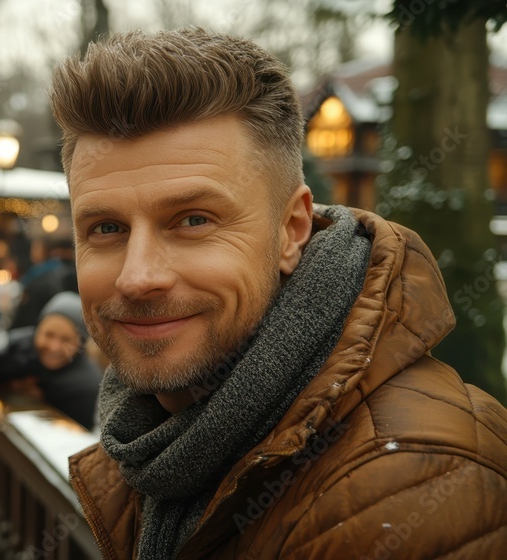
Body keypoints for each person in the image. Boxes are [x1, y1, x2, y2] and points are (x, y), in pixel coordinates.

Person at [50, 29, 507, 558]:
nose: (137, 277)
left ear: (292, 230)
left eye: (193, 220)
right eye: (106, 229)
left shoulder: (409, 493)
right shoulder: (155, 439)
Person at [0, 292, 102, 430]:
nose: (54, 347)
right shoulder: (17, 348)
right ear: (37, 330)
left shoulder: (87, 384)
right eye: (48, 335)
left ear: (79, 344)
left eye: (66, 340)